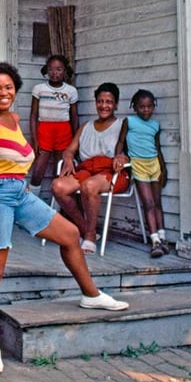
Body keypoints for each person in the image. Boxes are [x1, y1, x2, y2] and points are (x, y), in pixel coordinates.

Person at [0, 62, 128, 375]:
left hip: (19, 194)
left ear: (16, 88)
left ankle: (91, 295)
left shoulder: (14, 117)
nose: (3, 92)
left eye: (8, 87)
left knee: (70, 235)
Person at [50, 82, 129, 255]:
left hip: (112, 172)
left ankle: (91, 236)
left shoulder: (122, 124)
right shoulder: (86, 126)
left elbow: (130, 150)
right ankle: (85, 228)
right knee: (58, 186)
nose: (104, 105)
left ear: (116, 104)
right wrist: (68, 158)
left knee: (90, 186)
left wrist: (123, 157)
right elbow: (70, 150)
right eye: (100, 101)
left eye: (109, 102)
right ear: (96, 103)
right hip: (87, 169)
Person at [115, 89, 167, 257]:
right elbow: (121, 141)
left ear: (153, 107)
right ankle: (155, 241)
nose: (146, 110)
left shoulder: (155, 125)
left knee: (158, 203)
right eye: (142, 107)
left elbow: (157, 148)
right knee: (149, 203)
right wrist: (118, 157)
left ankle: (163, 237)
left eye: (149, 106)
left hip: (154, 164)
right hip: (138, 164)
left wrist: (163, 168)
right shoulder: (129, 121)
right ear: (135, 108)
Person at [27, 55, 78, 196]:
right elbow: (33, 115)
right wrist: (34, 139)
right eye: (51, 69)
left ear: (65, 71)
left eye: (59, 69)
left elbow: (74, 116)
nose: (55, 73)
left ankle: (57, 209)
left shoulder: (71, 91)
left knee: (60, 170)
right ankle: (32, 204)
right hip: (44, 130)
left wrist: (75, 141)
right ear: (46, 70)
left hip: (64, 131)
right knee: (38, 170)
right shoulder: (39, 89)